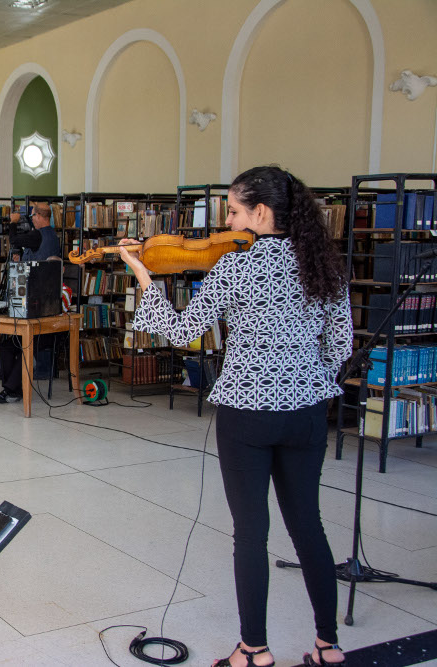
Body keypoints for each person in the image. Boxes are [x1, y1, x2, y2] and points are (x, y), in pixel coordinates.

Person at [116, 166, 351, 667]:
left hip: (247, 415)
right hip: (308, 412)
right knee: (309, 526)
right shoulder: (326, 267)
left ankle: (254, 651)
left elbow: (184, 331)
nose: (228, 223)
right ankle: (328, 648)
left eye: (234, 212)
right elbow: (341, 346)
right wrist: (305, 377)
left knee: (251, 532)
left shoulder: (236, 267)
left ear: (260, 213)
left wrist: (142, 275)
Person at [0, 258, 63, 404]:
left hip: (50, 333)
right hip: (30, 329)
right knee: (6, 346)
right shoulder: (36, 287)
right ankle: (14, 389)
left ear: (60, 271)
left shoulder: (63, 289)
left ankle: (10, 389)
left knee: (27, 348)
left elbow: (61, 312)